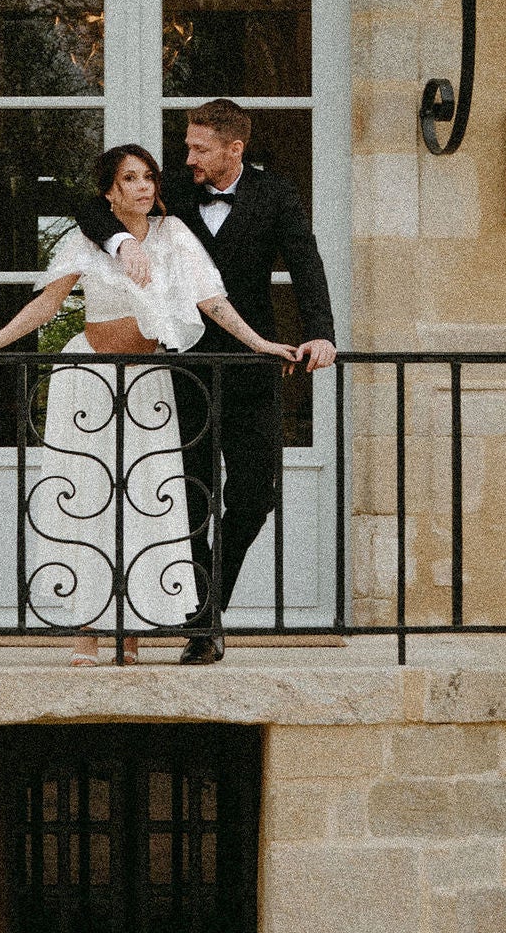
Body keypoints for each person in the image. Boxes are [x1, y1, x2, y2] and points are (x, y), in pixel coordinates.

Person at [0, 141, 297, 663]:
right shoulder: (88, 240)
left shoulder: (172, 233)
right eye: (130, 179)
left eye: (149, 178)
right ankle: (86, 629)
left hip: (148, 386)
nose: (143, 187)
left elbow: (212, 301)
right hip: (88, 379)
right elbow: (45, 306)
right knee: (86, 496)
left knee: (147, 499)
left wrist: (263, 345)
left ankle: (132, 627)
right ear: (109, 193)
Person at [74, 98, 337, 662]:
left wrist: (321, 333)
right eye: (187, 146)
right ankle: (201, 624)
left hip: (252, 366)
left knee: (254, 495)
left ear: (233, 149)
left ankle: (209, 604)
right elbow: (90, 207)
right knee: (191, 497)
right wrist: (122, 242)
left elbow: (306, 263)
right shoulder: (174, 189)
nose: (188, 156)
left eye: (199, 147)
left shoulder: (277, 195)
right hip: (182, 369)